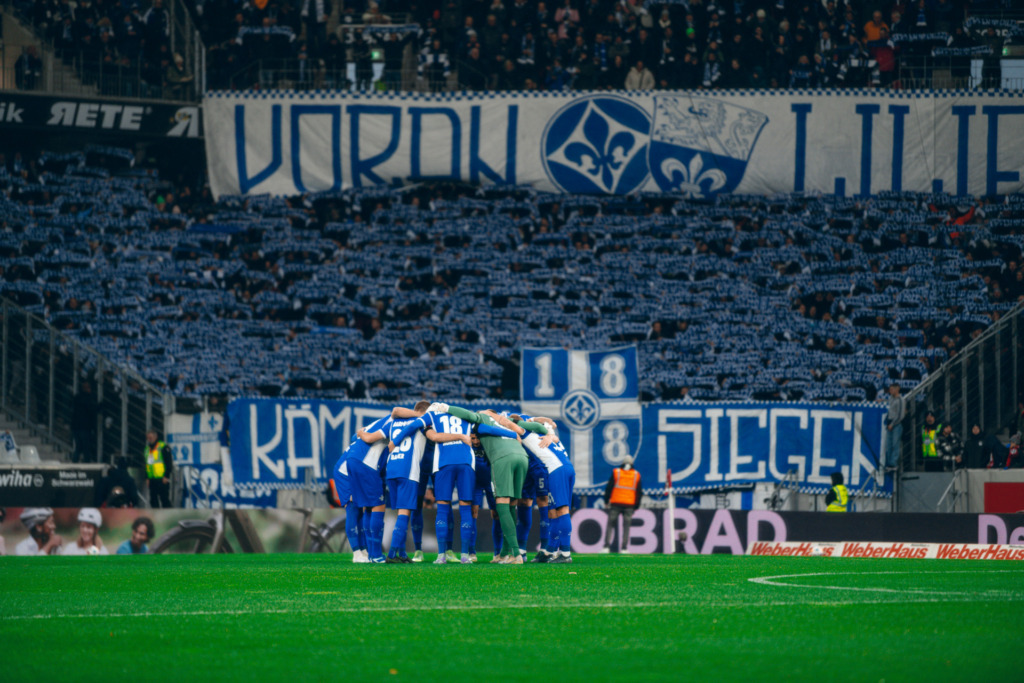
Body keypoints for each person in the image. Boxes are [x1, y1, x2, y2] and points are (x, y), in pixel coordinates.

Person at [435, 403, 542, 564]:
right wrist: (545, 431)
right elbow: (536, 427)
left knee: (502, 506)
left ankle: (516, 553)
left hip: (503, 458)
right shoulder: (505, 421)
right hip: (522, 457)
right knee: (511, 505)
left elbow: (469, 415)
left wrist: (446, 408)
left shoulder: (482, 419)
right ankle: (504, 553)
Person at [385, 401, 472, 563]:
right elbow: (396, 410)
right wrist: (420, 415)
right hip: (422, 467)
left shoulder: (435, 419)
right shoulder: (422, 420)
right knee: (416, 506)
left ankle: (447, 550)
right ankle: (418, 550)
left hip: (438, 465)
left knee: (444, 504)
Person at [515, 415, 575, 563]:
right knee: (553, 512)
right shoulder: (551, 437)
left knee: (561, 510)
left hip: (556, 470)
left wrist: (503, 419)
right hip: (565, 467)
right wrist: (544, 426)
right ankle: (550, 551)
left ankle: (565, 553)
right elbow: (550, 425)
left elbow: (518, 425)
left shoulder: (531, 435)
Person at [601, 455, 641, 553]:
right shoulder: (636, 474)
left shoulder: (617, 472)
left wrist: (606, 500)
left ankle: (606, 546)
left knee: (610, 524)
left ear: (622, 463)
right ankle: (624, 548)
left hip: (616, 503)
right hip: (629, 504)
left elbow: (609, 487)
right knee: (626, 526)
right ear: (632, 463)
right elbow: (639, 492)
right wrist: (636, 505)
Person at [145, 430, 175, 508]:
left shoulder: (163, 447)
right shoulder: (147, 449)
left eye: (151, 437)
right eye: (148, 438)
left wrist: (166, 476)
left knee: (164, 499)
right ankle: (156, 514)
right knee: (153, 500)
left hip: (162, 478)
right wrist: (147, 477)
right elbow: (147, 464)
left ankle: (167, 513)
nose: (149, 439)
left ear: (156, 437)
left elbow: (168, 462)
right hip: (152, 479)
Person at [71, 381, 99, 464]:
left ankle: (75, 462)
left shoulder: (77, 397)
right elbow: (91, 409)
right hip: (84, 427)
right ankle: (86, 464)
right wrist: (100, 406)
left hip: (76, 426)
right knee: (85, 447)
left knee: (79, 447)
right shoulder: (87, 398)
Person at [884, 383, 904, 469]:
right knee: (889, 444)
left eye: (892, 389)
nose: (890, 391)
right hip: (889, 423)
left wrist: (892, 424)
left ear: (897, 389)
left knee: (895, 444)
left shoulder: (900, 400)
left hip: (896, 425)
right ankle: (889, 463)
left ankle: (893, 463)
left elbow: (900, 415)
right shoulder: (891, 398)